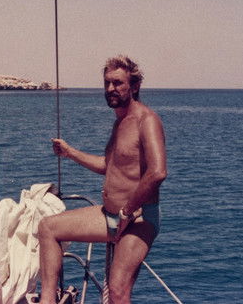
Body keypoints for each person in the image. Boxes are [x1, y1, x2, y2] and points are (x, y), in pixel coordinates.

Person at [38, 55, 167, 304]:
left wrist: (127, 211)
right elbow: (109, 166)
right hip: (111, 216)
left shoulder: (147, 120)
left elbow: (157, 172)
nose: (110, 88)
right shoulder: (120, 123)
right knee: (47, 228)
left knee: (117, 291)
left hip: (138, 219)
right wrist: (70, 152)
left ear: (134, 86)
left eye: (117, 83)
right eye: (107, 82)